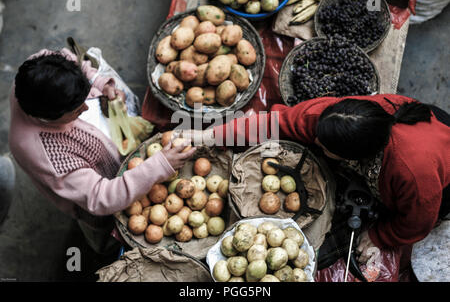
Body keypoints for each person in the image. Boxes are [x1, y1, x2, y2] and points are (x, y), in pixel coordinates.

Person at [183, 94, 450, 263]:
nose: (317, 143)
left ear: (354, 157)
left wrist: (380, 236)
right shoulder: (334, 116)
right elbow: (274, 124)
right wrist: (207, 137)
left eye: (324, 147)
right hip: (414, 134)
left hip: (440, 166)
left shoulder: (413, 175)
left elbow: (418, 222)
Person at [9, 49, 196, 254]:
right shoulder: (50, 155)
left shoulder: (40, 69)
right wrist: (160, 165)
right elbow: (101, 198)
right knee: (104, 229)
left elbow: (73, 60)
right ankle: (103, 249)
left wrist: (99, 85)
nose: (86, 109)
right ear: (52, 116)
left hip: (102, 148)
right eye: (76, 110)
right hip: (95, 198)